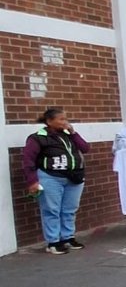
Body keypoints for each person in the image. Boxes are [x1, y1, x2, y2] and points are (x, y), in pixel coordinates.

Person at [22, 107, 90, 254]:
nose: (65, 122)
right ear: (49, 121)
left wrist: (73, 133)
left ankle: (68, 237)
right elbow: (28, 160)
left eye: (66, 119)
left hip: (73, 178)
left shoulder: (68, 135)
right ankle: (53, 241)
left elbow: (85, 148)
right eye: (61, 119)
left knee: (70, 209)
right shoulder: (38, 137)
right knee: (51, 210)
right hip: (51, 177)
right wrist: (32, 181)